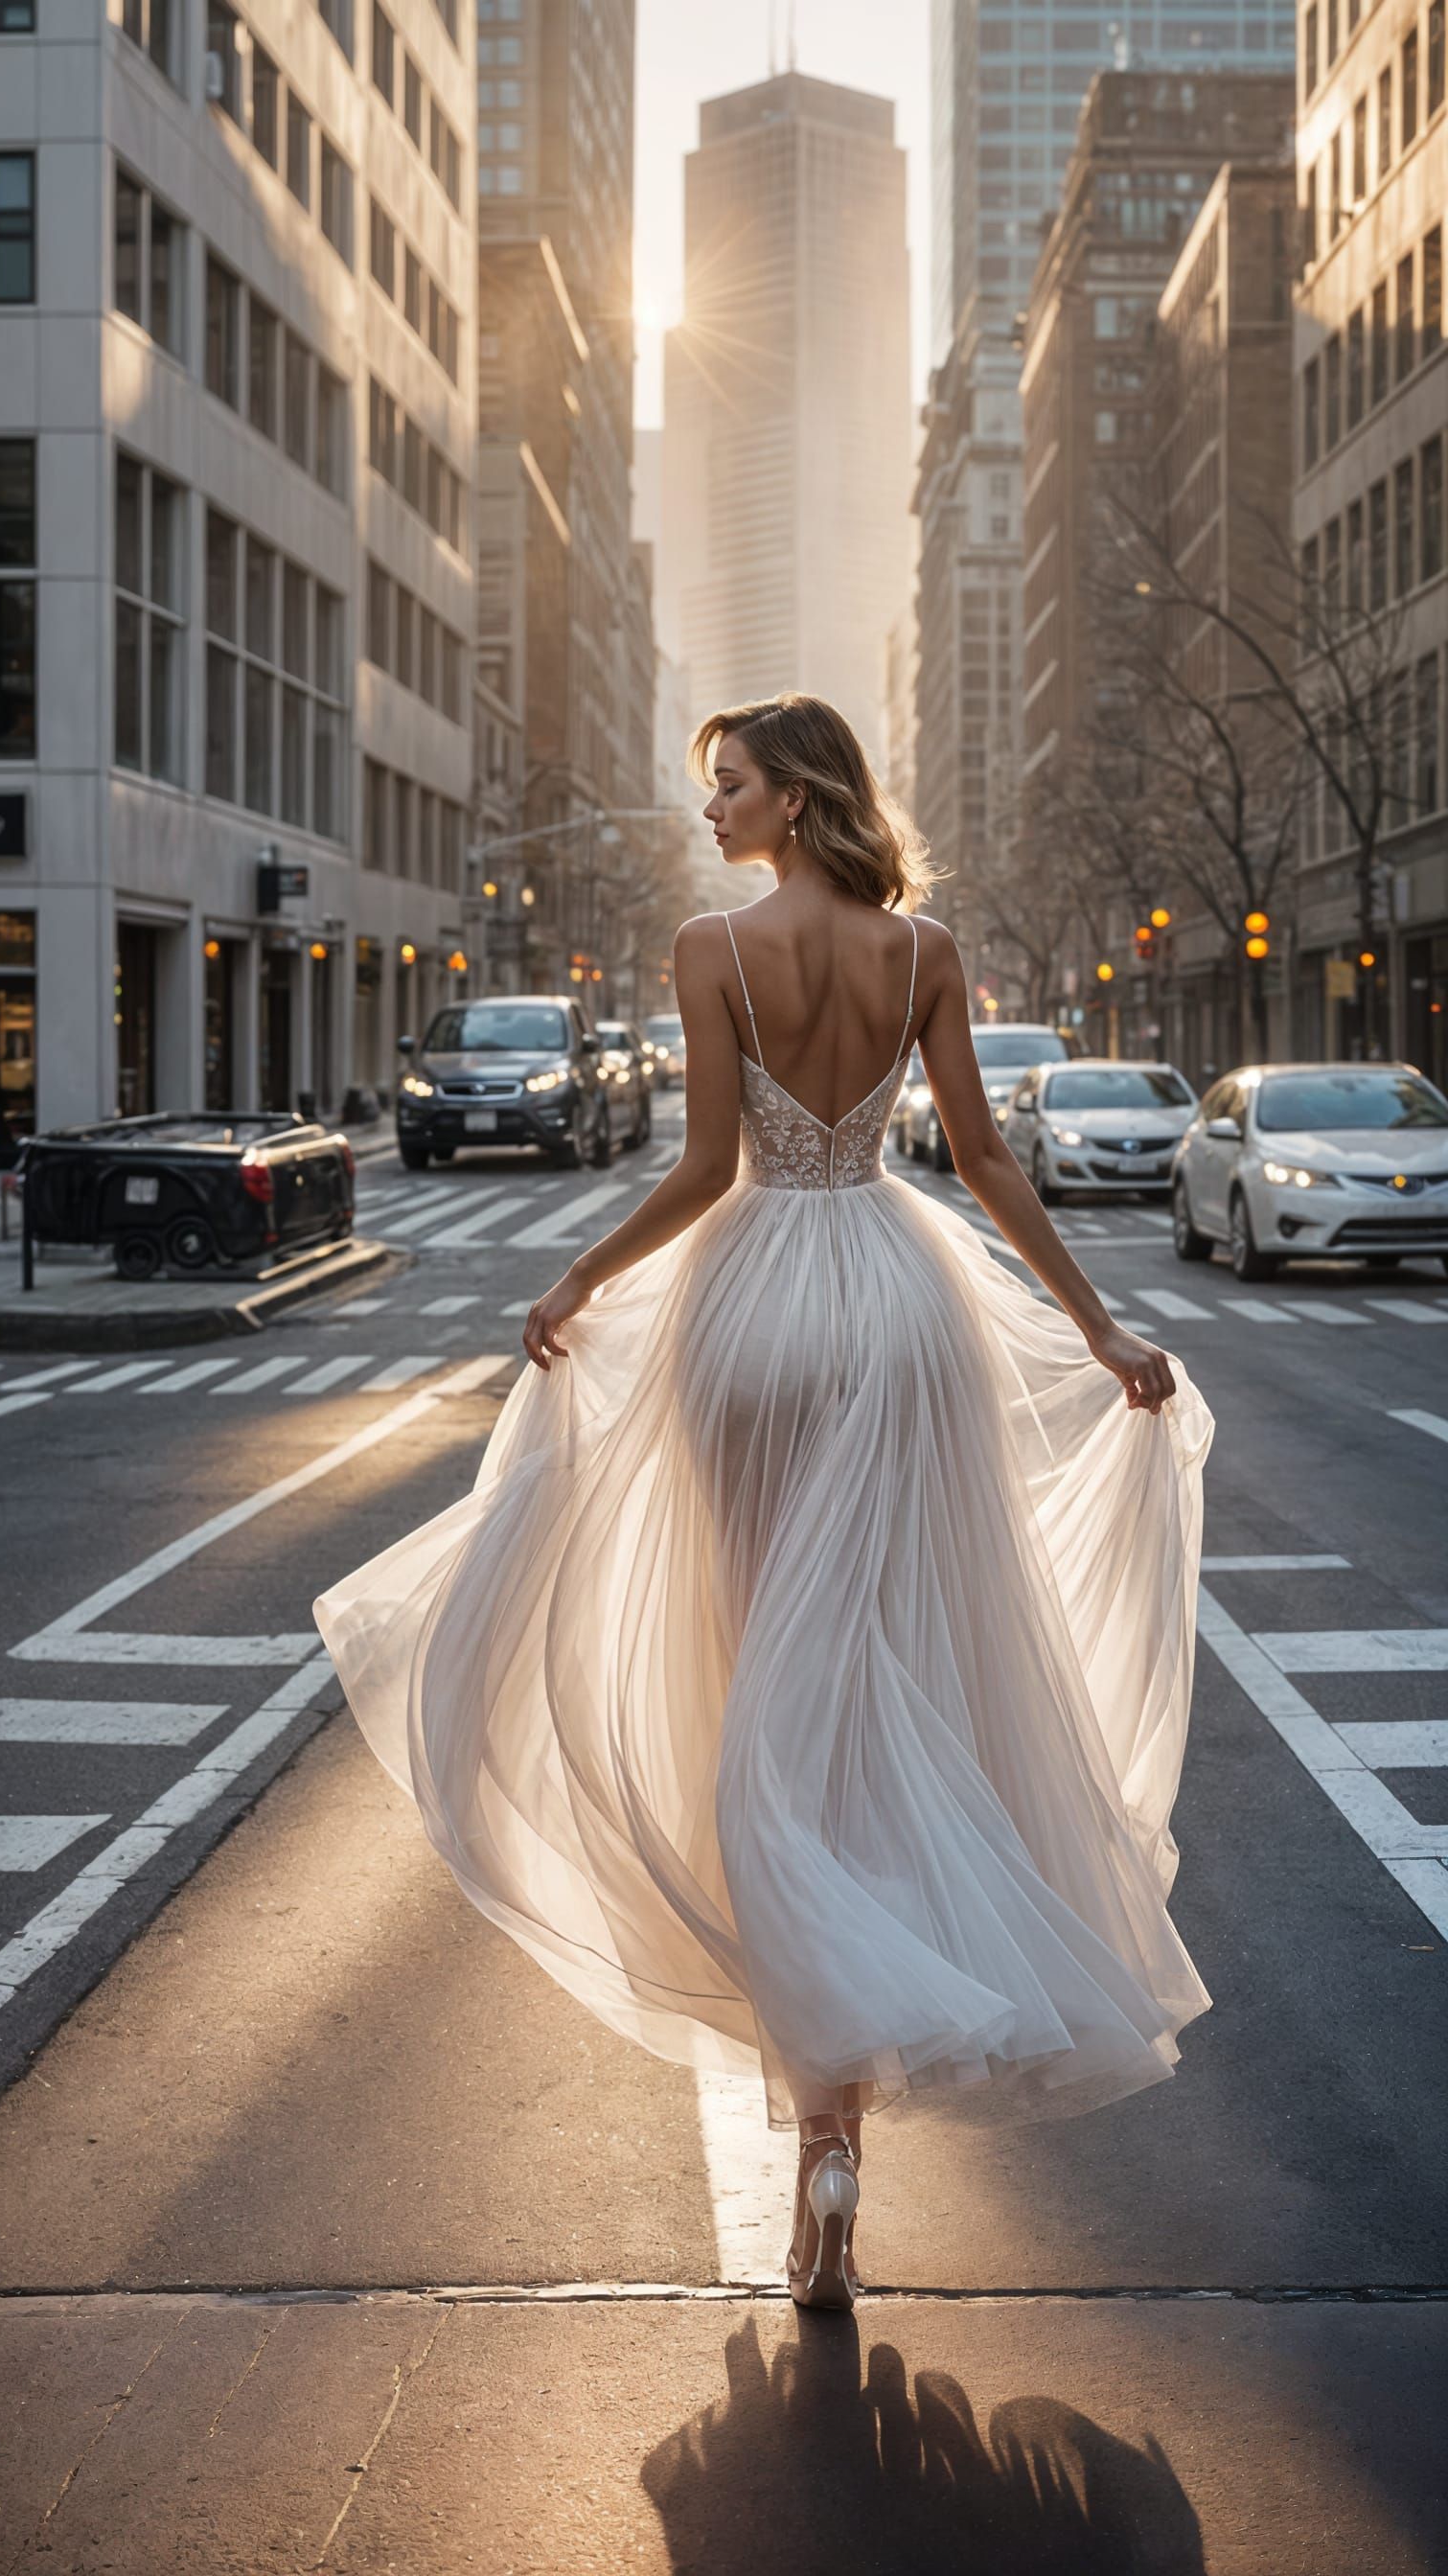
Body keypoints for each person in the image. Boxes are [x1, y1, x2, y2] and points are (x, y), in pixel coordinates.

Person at [313, 692, 1214, 2316]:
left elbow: (703, 1171)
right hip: (901, 1313)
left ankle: (823, 2131)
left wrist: (578, 1278)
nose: (710, 810)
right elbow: (988, 1161)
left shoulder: (712, 951)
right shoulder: (925, 951)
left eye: (728, 785)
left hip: (751, 1327)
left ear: (795, 798)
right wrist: (1101, 1330)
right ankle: (840, 2143)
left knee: (758, 1703)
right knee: (879, 1676)